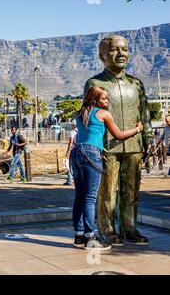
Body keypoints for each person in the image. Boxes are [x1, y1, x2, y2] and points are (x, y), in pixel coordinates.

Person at [84, 35, 152, 246]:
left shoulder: (136, 84)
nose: (121, 54)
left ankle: (129, 227)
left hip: (134, 145)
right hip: (107, 147)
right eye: (114, 50)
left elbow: (145, 113)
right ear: (102, 55)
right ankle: (107, 229)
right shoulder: (95, 83)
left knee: (131, 190)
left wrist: (147, 137)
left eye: (124, 49)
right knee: (108, 191)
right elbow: (88, 115)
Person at [71, 86, 143, 250]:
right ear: (96, 100)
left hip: (76, 153)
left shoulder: (80, 113)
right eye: (104, 99)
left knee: (80, 197)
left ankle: (79, 236)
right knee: (90, 198)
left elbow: (86, 133)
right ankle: (91, 237)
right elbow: (118, 135)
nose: (107, 101)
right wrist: (138, 129)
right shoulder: (104, 114)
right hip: (91, 153)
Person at [64, 120, 77, 185]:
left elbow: (71, 142)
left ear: (74, 125)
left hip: (73, 149)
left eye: (72, 125)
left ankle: (69, 180)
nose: (71, 126)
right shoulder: (80, 131)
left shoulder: (73, 132)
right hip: (79, 149)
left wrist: (68, 150)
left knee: (70, 164)